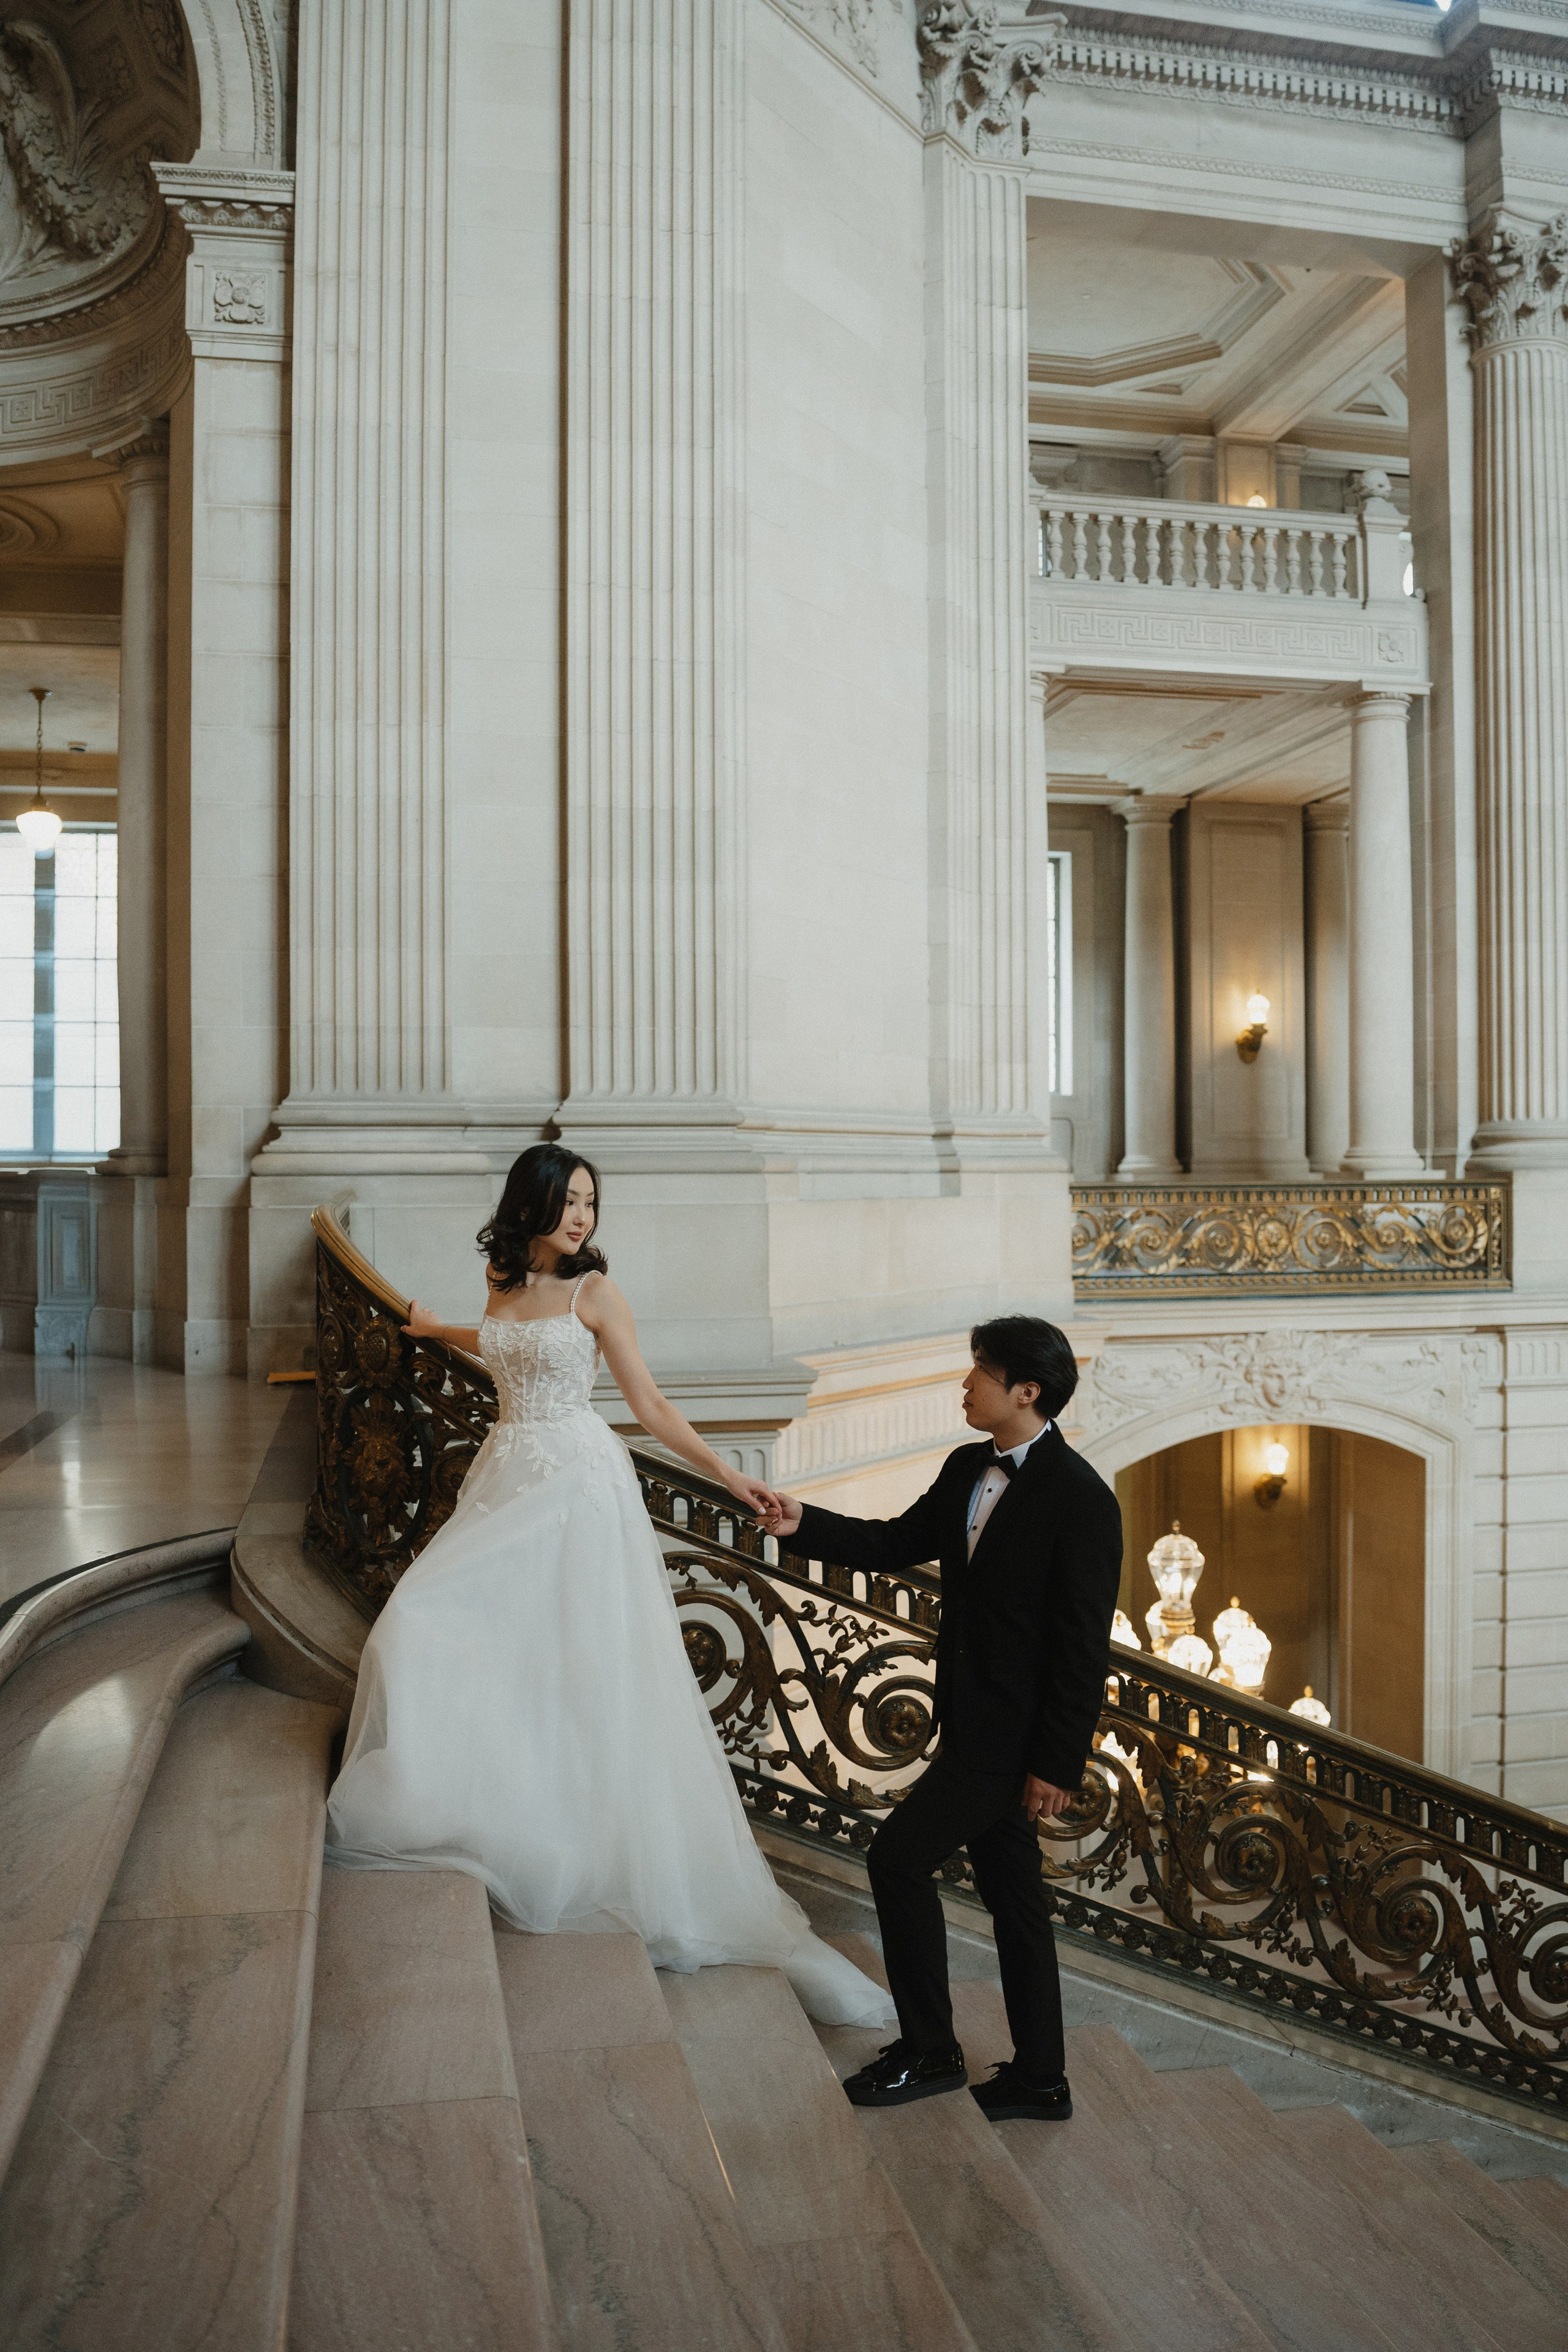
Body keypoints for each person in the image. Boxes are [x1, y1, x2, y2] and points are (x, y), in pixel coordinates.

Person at [325, 1143, 894, 2029]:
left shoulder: (597, 1291)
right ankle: (491, 1803)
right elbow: (507, 1344)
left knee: (579, 1660)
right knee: (429, 1627)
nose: (584, 1216)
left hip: (578, 1487)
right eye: (569, 1200)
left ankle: (584, 1838)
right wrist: (441, 1334)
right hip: (509, 1474)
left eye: (592, 1201)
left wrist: (727, 1476)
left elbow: (651, 1406)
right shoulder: (501, 1276)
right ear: (533, 1205)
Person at [764, 1317, 1121, 2119]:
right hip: (965, 1719)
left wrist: (1057, 1765)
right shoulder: (969, 1465)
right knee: (1016, 1901)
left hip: (1010, 1740)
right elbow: (896, 1543)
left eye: (981, 1374)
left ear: (1025, 1391)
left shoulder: (1082, 1501)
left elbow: (1081, 1650)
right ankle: (1040, 2079)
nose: (967, 1385)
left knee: (897, 1860)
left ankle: (930, 2053)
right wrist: (802, 1523)